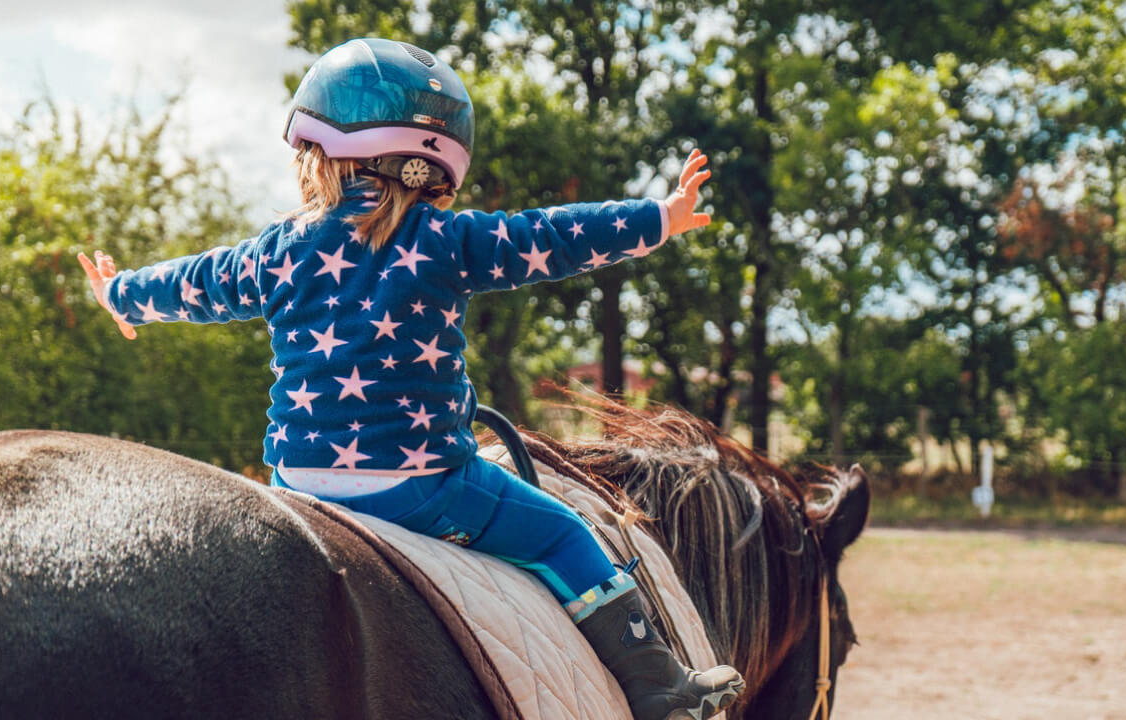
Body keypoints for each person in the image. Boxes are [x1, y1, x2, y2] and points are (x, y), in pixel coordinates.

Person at [78, 37, 743, 720]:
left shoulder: (275, 252)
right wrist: (659, 219)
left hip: (300, 484)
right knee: (563, 535)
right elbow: (553, 238)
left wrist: (123, 295)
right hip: (421, 486)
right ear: (435, 165)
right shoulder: (446, 241)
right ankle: (662, 690)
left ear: (316, 155)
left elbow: (197, 281)